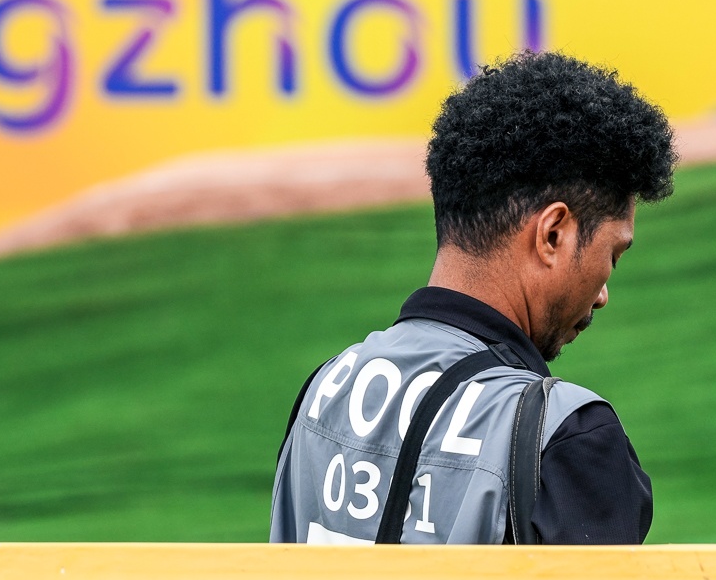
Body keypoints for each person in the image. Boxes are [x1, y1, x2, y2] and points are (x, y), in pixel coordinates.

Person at [272, 53, 675, 547]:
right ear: (552, 234)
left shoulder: (322, 392)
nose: (604, 293)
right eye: (613, 253)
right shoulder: (571, 439)